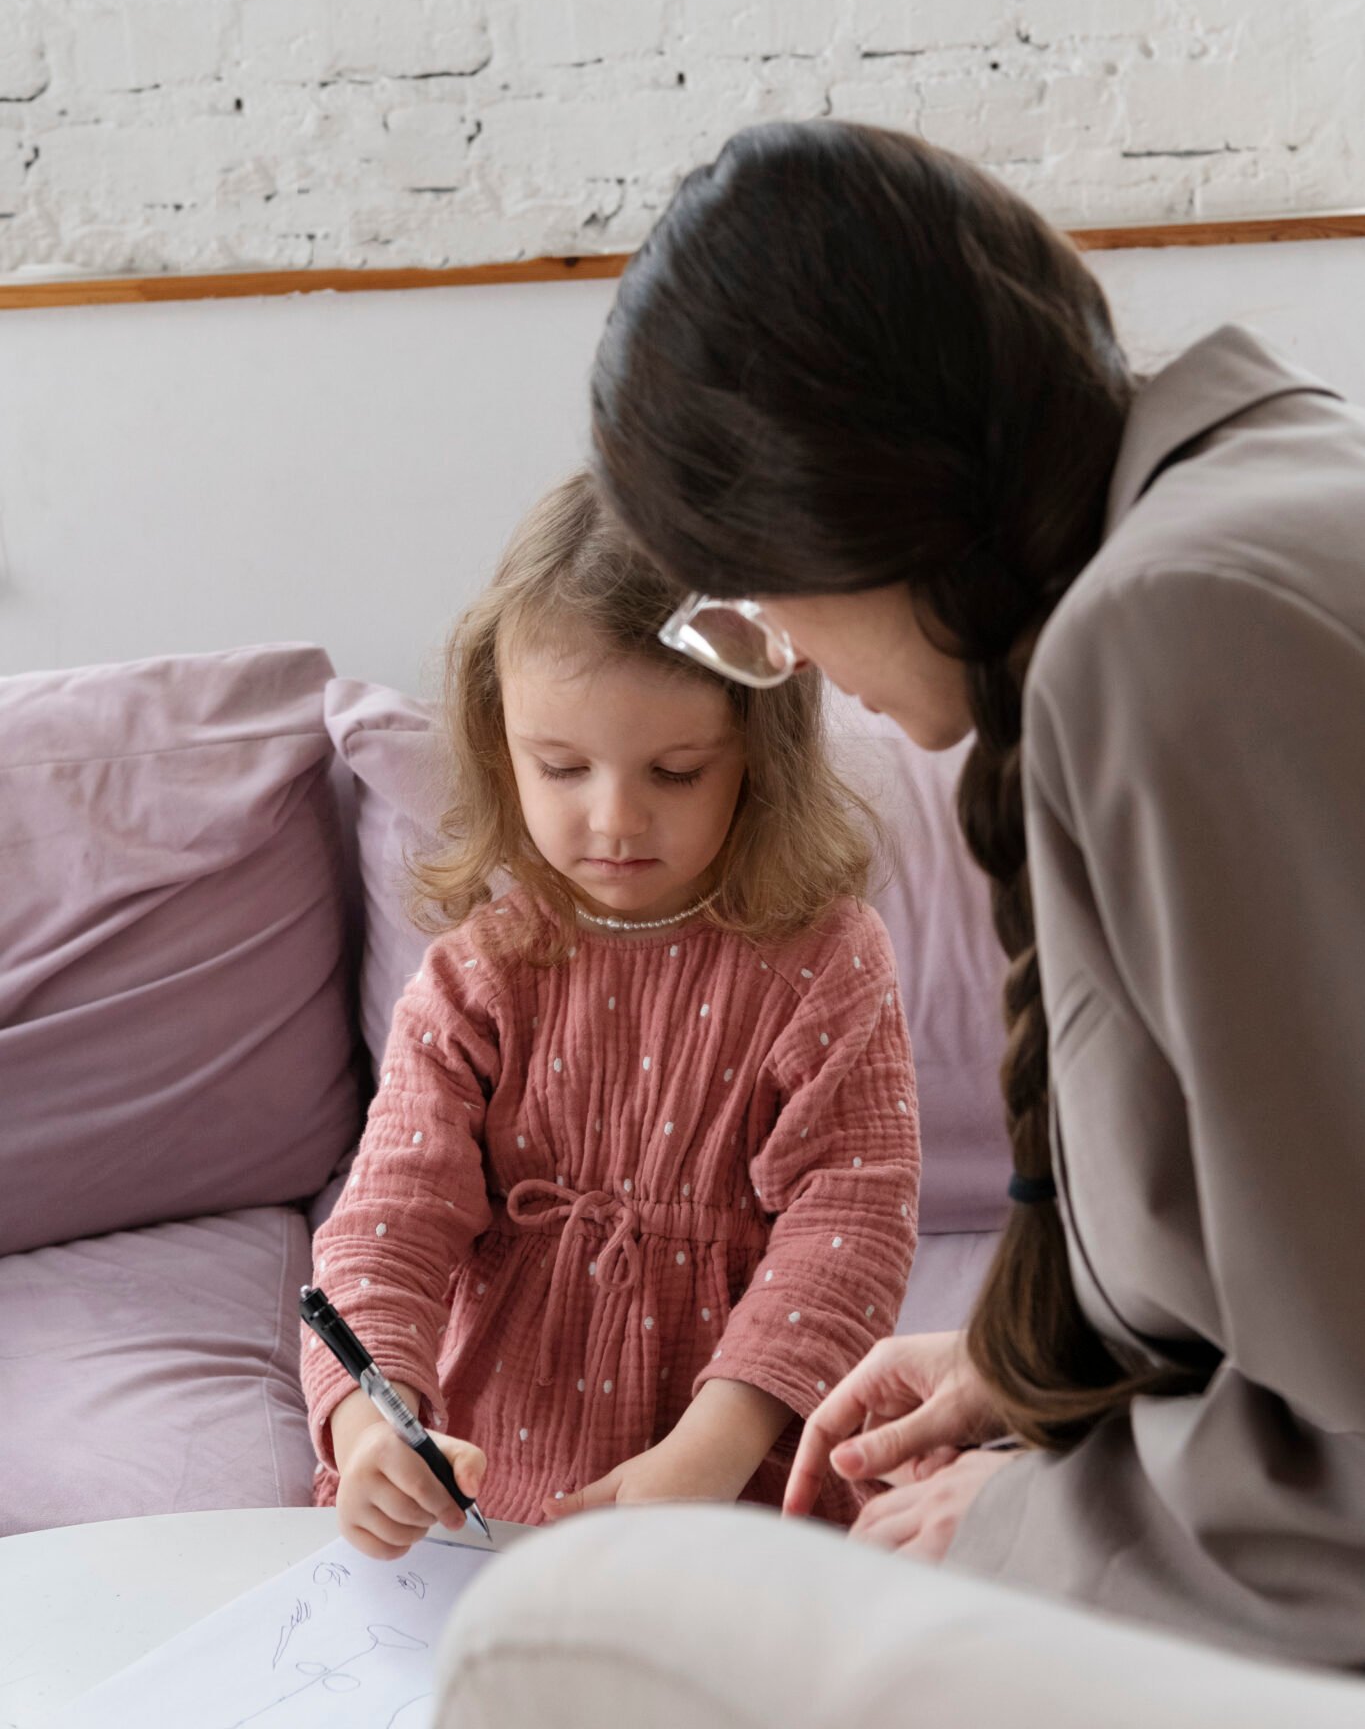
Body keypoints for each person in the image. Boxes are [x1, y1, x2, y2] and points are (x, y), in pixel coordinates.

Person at [565, 119, 1365, 1671]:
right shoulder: (1254, 486)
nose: (788, 658)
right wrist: (1036, 1371)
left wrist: (1021, 1526)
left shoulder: (1169, 640)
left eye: (747, 605)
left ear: (831, 510)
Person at [301, 469, 920, 1555]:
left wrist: (712, 1447)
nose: (615, 818)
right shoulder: (476, 980)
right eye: (563, 766)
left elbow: (850, 1227)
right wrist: (368, 1423)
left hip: (738, 1476)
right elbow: (387, 1225)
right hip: (502, 1492)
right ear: (504, 750)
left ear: (756, 758)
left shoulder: (825, 961)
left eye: (677, 772)